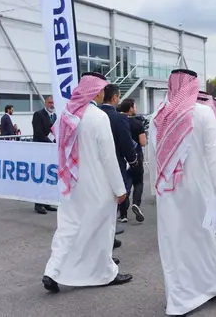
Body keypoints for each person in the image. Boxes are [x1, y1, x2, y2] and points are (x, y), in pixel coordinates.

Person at [148, 69, 216, 316]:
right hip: (200, 191)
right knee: (205, 239)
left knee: (175, 243)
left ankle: (185, 296)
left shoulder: (157, 115)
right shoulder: (202, 114)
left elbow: (152, 157)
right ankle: (206, 288)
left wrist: (153, 189)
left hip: (168, 192)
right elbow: (214, 158)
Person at [42, 72, 132, 293]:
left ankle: (52, 271)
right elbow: (108, 157)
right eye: (102, 90)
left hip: (71, 183)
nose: (103, 94)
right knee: (101, 230)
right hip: (97, 185)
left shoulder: (67, 114)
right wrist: (120, 190)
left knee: (68, 229)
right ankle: (105, 273)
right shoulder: (97, 116)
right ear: (97, 91)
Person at [99, 84, 138, 224]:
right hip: (115, 163)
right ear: (115, 97)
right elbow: (126, 143)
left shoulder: (94, 113)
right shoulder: (119, 118)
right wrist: (133, 161)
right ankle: (109, 232)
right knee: (113, 199)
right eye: (119, 97)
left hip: (96, 165)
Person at [118, 97, 147, 223]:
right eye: (134, 106)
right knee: (138, 182)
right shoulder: (137, 123)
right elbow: (143, 142)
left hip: (121, 157)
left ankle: (123, 214)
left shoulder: (117, 121)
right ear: (130, 108)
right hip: (136, 156)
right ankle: (136, 204)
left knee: (124, 185)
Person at [32, 95, 58, 214]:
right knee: (40, 177)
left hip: (51, 151)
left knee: (48, 176)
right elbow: (38, 133)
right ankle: (38, 203)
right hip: (41, 149)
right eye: (49, 102)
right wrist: (50, 143)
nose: (51, 104)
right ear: (45, 103)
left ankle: (47, 201)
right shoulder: (38, 115)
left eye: (53, 102)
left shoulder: (55, 116)